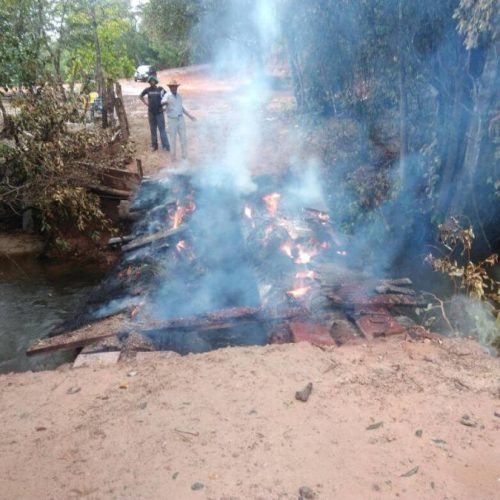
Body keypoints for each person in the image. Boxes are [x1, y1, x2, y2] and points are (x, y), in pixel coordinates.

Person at [162, 79, 196, 161]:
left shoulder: (179, 96)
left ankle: (184, 157)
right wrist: (166, 103)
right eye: (172, 87)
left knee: (183, 138)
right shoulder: (167, 95)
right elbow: (162, 103)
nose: (174, 88)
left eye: (175, 86)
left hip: (181, 119)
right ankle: (173, 158)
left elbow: (181, 108)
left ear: (177, 87)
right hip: (172, 120)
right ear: (170, 87)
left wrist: (190, 116)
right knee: (172, 139)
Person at [139, 76, 170, 152]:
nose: (152, 82)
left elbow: (168, 97)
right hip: (151, 113)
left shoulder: (160, 89)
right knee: (153, 130)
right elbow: (140, 96)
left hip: (159, 112)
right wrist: (146, 103)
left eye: (153, 81)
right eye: (150, 81)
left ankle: (166, 145)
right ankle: (154, 146)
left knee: (162, 129)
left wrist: (165, 107)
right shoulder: (147, 90)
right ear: (149, 82)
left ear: (156, 81)